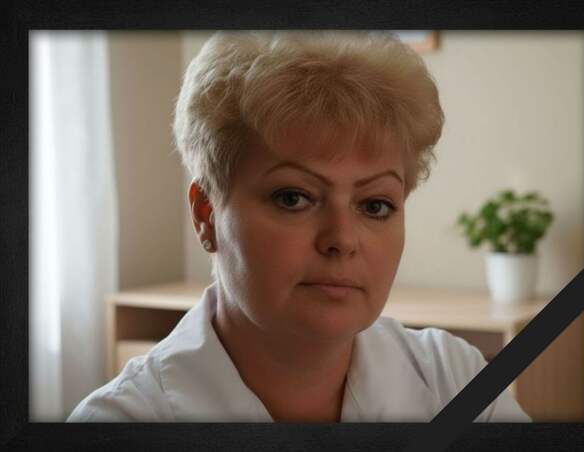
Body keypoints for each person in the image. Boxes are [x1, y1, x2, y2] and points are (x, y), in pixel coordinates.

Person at [67, 31, 531, 422]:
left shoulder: (454, 380)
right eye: (294, 198)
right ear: (206, 215)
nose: (341, 240)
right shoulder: (121, 420)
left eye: (375, 205)